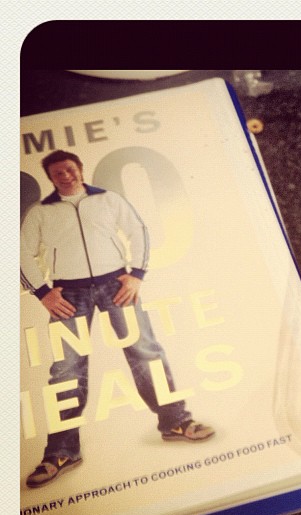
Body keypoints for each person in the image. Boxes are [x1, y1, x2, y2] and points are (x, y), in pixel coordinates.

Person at [21, 150, 214, 488]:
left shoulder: (108, 199)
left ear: (80, 169)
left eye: (70, 169)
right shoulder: (41, 212)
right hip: (68, 295)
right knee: (66, 369)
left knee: (145, 351)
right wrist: (42, 292)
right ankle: (61, 452)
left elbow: (139, 232)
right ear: (51, 178)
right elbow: (19, 252)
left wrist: (136, 274)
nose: (65, 176)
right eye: (58, 173)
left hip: (116, 285)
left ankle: (175, 421)